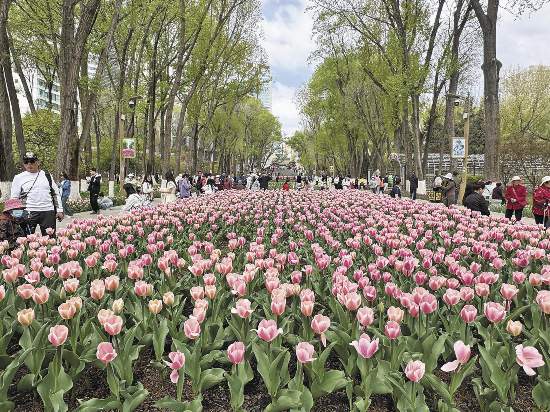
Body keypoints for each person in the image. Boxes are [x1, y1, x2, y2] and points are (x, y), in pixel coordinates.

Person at [10, 152, 63, 236]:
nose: (29, 164)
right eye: (26, 162)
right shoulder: (18, 178)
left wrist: (59, 210)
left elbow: (56, 193)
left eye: (32, 161)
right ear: (23, 164)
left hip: (48, 211)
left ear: (38, 162)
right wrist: (16, 215)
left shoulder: (47, 175)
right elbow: (14, 198)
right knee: (27, 240)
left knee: (50, 239)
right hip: (28, 212)